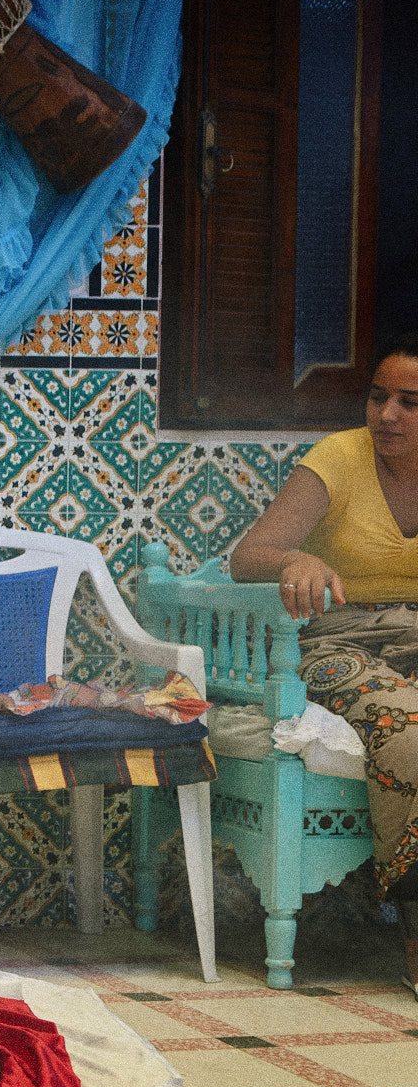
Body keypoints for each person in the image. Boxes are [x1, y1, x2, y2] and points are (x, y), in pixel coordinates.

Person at [231, 333, 418, 996]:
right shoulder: (338, 459)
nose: (387, 414)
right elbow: (246, 556)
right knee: (407, 728)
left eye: (409, 402)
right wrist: (294, 560)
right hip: (338, 642)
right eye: (378, 396)